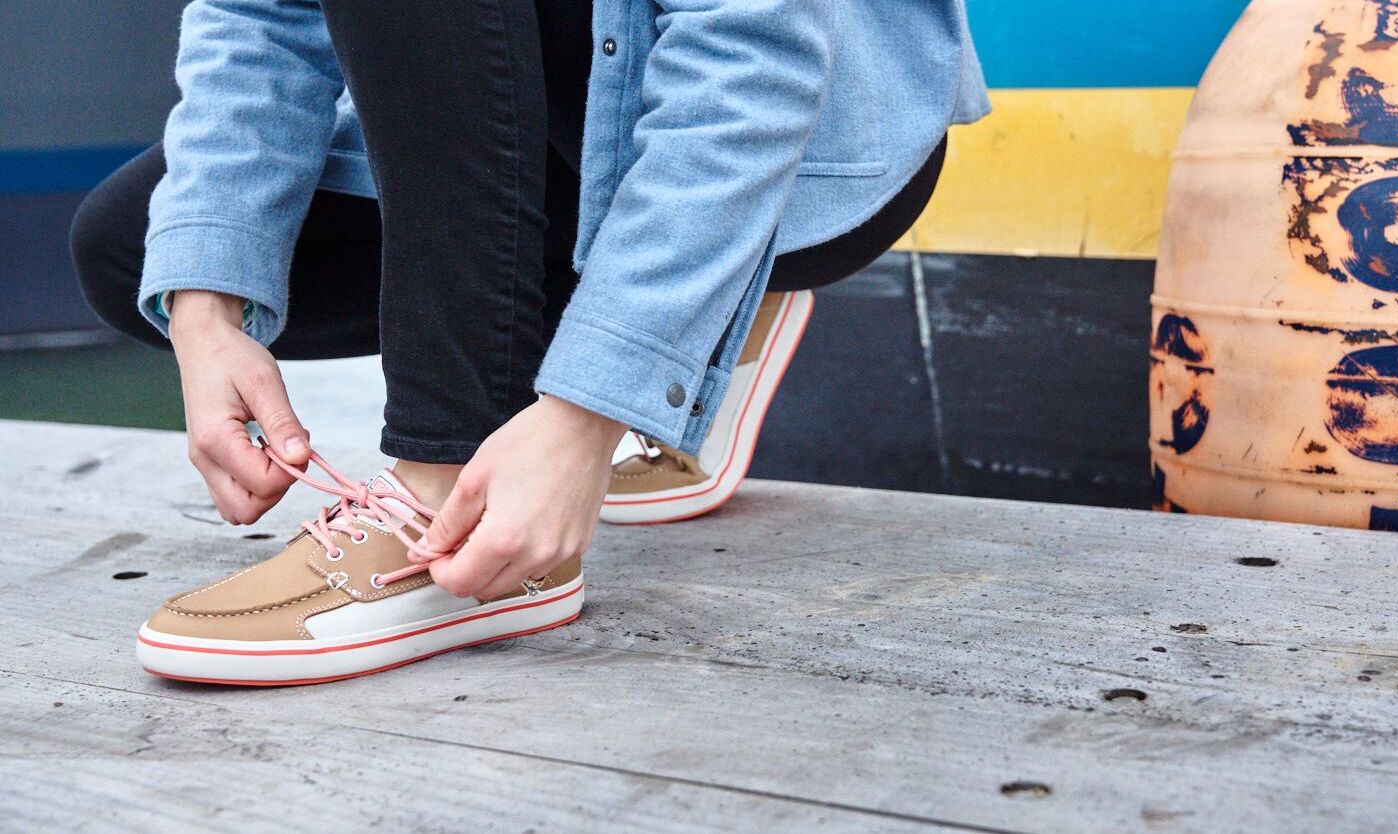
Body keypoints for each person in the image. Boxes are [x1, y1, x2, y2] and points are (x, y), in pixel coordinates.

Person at [72, 0, 988, 685]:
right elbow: (258, 15)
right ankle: (695, 310)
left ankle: (446, 486)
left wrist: (590, 410)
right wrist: (206, 312)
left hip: (796, 137)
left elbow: (749, 61)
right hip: (544, 110)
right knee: (137, 249)